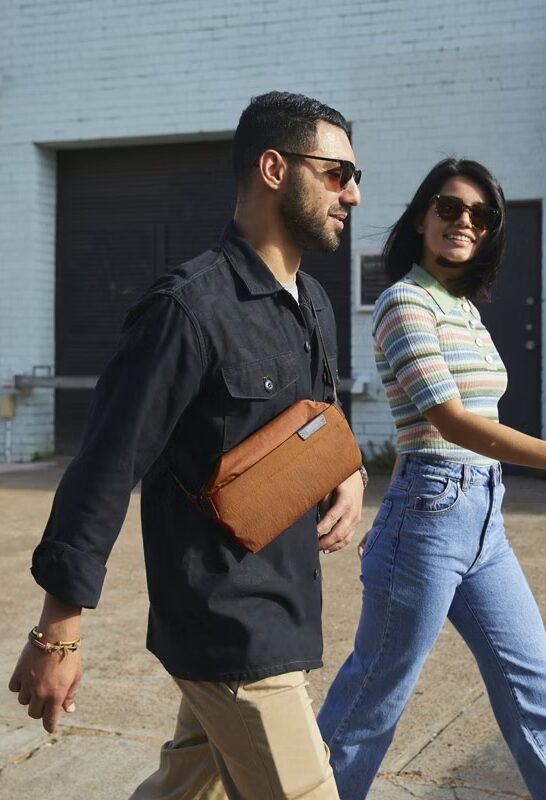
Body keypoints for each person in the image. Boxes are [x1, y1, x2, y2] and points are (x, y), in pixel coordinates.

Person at [8, 91, 366, 800]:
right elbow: (107, 464)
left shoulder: (315, 303)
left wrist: (349, 473)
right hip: (229, 624)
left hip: (287, 604)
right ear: (273, 168)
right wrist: (58, 630)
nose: (351, 193)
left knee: (186, 790)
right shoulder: (187, 309)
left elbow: (320, 417)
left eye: (355, 177)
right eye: (336, 174)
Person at [317, 157, 546, 800]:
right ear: (423, 217)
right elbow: (448, 420)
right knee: (373, 700)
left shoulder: (464, 309)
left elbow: (442, 426)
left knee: (537, 691)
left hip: (483, 521)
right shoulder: (404, 302)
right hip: (430, 513)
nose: (464, 221)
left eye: (481, 214)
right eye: (449, 207)